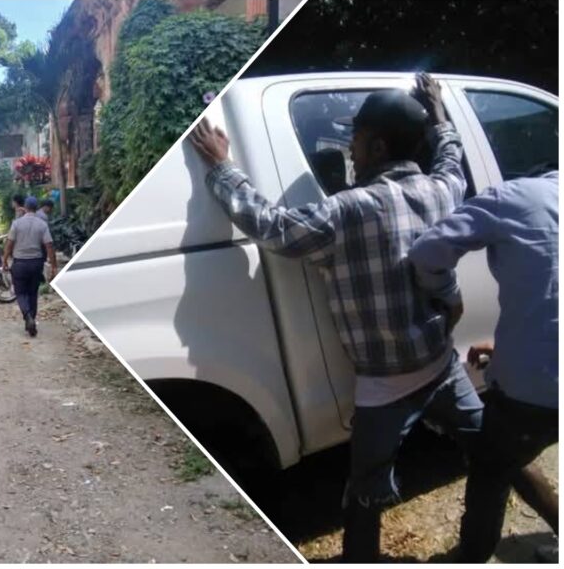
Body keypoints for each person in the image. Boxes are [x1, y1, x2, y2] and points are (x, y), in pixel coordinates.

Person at [189, 73, 481, 563]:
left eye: (356, 139)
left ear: (378, 144)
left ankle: (359, 558)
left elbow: (272, 227)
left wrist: (222, 167)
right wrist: (439, 118)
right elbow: (452, 161)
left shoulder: (348, 211)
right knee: (490, 443)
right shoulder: (442, 191)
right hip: (441, 367)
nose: (350, 149)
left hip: (383, 388)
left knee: (365, 490)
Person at [409, 167, 559, 563]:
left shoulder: (511, 197)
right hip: (542, 378)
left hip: (537, 387)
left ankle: (473, 558)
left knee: (491, 468)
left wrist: (448, 297)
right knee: (511, 452)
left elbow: (427, 251)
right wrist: (509, 343)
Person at [3, 196, 56, 337]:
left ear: (25, 208)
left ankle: (27, 316)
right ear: (36, 207)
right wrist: (54, 266)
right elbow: (49, 246)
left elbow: (9, 243)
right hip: (36, 263)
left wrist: (4, 260)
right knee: (33, 293)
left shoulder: (16, 224)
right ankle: (32, 318)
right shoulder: (42, 224)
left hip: (19, 263)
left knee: (20, 293)